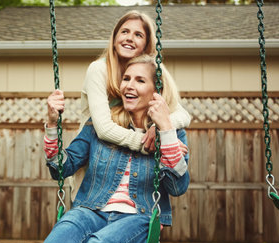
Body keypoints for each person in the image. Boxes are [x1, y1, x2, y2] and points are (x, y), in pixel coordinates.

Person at [0, 54, 190, 243]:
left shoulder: (172, 131)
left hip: (138, 221)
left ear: (156, 91)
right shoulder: (100, 126)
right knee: (70, 224)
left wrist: (167, 133)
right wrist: (52, 124)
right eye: (126, 78)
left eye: (140, 80)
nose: (129, 85)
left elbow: (177, 186)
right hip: (92, 209)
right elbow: (61, 167)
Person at [70, 10, 191, 200]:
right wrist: (147, 144)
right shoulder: (99, 69)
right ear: (114, 37)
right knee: (89, 205)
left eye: (138, 34)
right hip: (97, 150)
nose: (129, 38)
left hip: (132, 156)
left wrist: (160, 128)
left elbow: (183, 114)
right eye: (124, 32)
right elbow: (103, 129)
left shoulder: (151, 70)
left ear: (146, 44)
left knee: (135, 203)